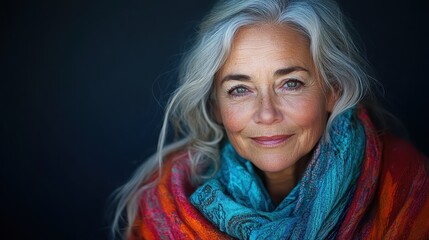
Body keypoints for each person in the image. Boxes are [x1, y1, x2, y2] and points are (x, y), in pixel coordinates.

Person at [112, 0, 429, 239]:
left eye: (291, 83)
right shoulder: (162, 207)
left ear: (333, 90)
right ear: (216, 108)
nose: (267, 113)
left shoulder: (408, 191)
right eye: (239, 89)